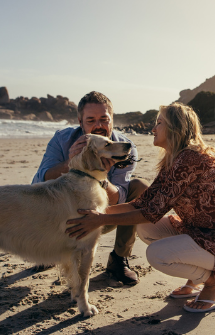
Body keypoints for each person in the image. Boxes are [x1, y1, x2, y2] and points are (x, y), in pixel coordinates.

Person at [66, 103, 215, 313]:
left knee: (157, 255)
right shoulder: (174, 159)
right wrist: (97, 213)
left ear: (175, 128)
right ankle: (196, 277)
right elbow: (142, 203)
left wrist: (99, 220)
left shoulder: (189, 159)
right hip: (200, 232)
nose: (153, 129)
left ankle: (213, 281)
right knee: (145, 228)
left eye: (159, 123)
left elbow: (150, 213)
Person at [32, 91, 149, 285]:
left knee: (140, 187)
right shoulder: (62, 139)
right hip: (61, 214)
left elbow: (120, 199)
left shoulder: (123, 147)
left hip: (101, 214)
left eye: (104, 119)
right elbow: (40, 181)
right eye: (91, 120)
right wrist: (71, 161)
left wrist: (101, 176)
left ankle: (118, 260)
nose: (98, 126)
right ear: (80, 121)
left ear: (112, 119)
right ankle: (50, 251)